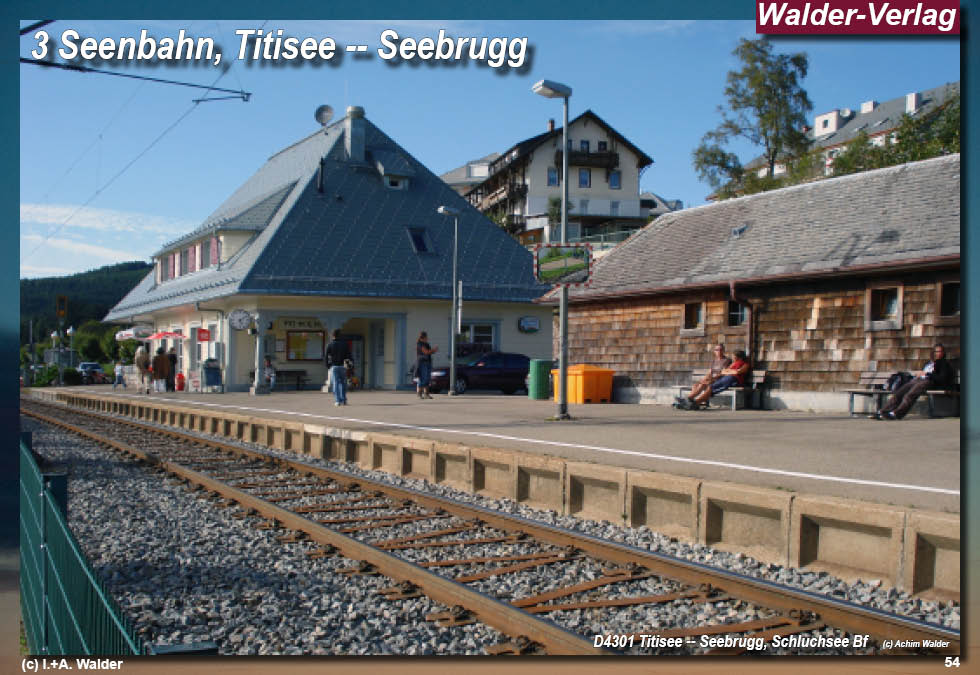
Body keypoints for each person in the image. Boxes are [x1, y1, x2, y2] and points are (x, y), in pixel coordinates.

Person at [874, 343, 955, 420]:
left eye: (940, 351)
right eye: (936, 351)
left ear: (943, 353)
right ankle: (883, 411)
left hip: (930, 381)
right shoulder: (929, 363)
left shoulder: (944, 364)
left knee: (910, 395)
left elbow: (941, 378)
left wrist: (927, 374)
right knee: (900, 392)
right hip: (919, 380)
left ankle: (897, 413)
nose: (938, 353)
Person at [684, 350, 751, 410]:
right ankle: (693, 402)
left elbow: (738, 372)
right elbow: (723, 372)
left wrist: (729, 371)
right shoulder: (733, 364)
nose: (733, 358)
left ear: (740, 357)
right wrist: (730, 371)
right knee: (709, 387)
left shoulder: (745, 364)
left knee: (711, 387)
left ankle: (695, 403)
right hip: (726, 378)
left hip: (734, 380)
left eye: (734, 356)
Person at [675, 344, 731, 409]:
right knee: (696, 385)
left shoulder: (726, 360)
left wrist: (712, 379)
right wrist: (704, 379)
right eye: (717, 350)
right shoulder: (714, 360)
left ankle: (687, 400)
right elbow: (710, 372)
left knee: (702, 385)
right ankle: (690, 402)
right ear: (714, 351)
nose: (719, 351)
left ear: (723, 351)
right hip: (711, 379)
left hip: (719, 380)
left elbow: (723, 373)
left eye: (720, 350)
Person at [325, 329, 351, 406]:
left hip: (334, 366)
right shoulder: (345, 344)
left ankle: (337, 400)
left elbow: (326, 356)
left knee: (336, 383)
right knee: (343, 383)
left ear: (333, 335)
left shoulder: (330, 345)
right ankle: (344, 400)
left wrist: (328, 365)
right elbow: (349, 355)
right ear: (340, 335)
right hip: (343, 366)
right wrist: (350, 365)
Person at [415, 331, 438, 399]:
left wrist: (432, 351)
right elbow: (426, 352)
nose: (427, 338)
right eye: (426, 337)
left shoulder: (426, 344)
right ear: (423, 337)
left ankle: (426, 394)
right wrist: (433, 350)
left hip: (428, 362)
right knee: (423, 378)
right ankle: (419, 393)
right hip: (422, 363)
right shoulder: (420, 344)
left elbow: (429, 352)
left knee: (427, 378)